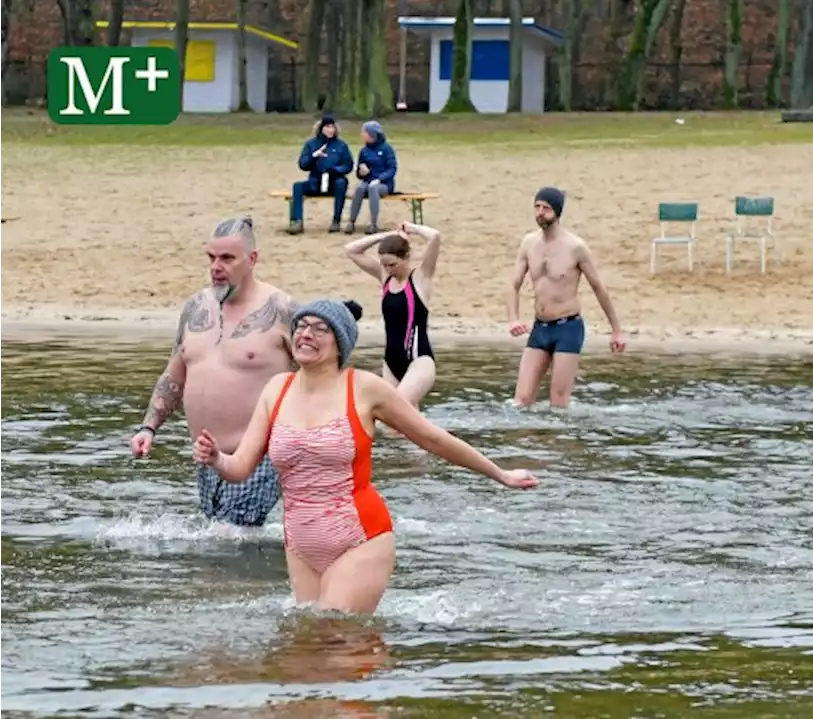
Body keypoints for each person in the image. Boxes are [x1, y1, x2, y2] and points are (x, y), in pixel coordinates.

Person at [192, 298, 538, 613]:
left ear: (340, 341)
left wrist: (500, 474)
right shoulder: (276, 389)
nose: (306, 334)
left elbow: (432, 438)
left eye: (320, 328)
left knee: (333, 632)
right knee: (307, 650)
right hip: (299, 543)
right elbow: (241, 468)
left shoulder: (364, 387)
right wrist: (217, 458)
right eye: (300, 326)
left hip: (360, 536)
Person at [130, 217, 297, 527]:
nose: (216, 266)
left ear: (252, 259)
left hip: (261, 459)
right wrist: (148, 428)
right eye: (211, 257)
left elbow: (320, 380)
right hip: (207, 458)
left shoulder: (282, 310)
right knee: (220, 545)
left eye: (227, 258)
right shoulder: (195, 307)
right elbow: (174, 375)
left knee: (231, 542)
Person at [506, 186, 625, 408]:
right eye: (537, 207)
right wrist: (513, 318)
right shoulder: (529, 243)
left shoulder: (575, 247)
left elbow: (599, 288)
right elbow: (513, 285)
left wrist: (616, 330)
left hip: (568, 328)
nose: (540, 212)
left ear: (557, 212)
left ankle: (559, 442)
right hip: (540, 328)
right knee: (521, 401)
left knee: (558, 404)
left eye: (546, 208)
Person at [343, 222, 442, 404]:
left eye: (393, 264)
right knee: (401, 426)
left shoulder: (421, 278)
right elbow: (351, 250)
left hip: (419, 360)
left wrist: (412, 228)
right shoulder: (386, 278)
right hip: (390, 362)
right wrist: (387, 235)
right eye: (384, 265)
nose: (389, 269)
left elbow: (434, 236)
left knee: (396, 410)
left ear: (406, 257)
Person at [288, 112, 354, 235]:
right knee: (297, 186)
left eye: (332, 127)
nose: (330, 130)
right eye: (327, 127)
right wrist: (314, 156)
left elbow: (348, 165)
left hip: (334, 182)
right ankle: (296, 221)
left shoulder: (341, 145)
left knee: (342, 183)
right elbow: (303, 165)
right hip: (316, 181)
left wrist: (335, 170)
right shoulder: (311, 144)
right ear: (321, 128)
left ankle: (336, 220)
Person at [345, 121, 398, 235]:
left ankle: (373, 224)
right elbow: (359, 173)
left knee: (373, 188)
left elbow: (392, 169)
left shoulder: (386, 149)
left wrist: (379, 179)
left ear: (372, 134)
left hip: (384, 184)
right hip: (368, 181)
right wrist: (362, 172)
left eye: (364, 132)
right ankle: (351, 222)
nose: (361, 135)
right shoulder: (364, 151)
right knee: (359, 188)